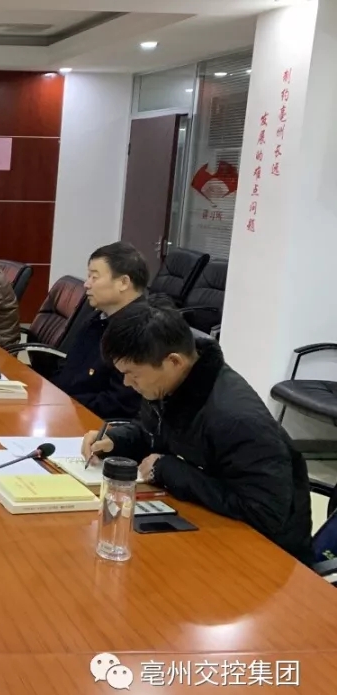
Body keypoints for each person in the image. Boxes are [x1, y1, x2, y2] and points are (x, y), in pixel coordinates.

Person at [82, 303, 313, 564]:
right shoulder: (171, 383)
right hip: (208, 525)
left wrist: (168, 469)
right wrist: (116, 441)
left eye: (132, 374)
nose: (126, 383)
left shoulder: (236, 419)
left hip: (264, 556)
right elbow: (155, 433)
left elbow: (264, 512)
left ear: (173, 362)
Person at [52, 242, 147, 420]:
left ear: (123, 283)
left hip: (91, 423)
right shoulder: (97, 318)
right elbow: (68, 370)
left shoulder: (139, 331)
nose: (86, 284)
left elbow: (118, 405)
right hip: (65, 409)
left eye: (94, 277)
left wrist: (64, 405)